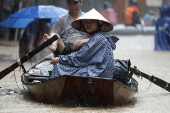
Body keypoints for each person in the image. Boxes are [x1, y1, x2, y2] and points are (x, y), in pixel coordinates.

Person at [43, 8, 116, 79]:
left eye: (92, 21)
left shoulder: (98, 38)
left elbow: (80, 57)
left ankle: (56, 90)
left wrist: (60, 59)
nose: (88, 24)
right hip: (99, 71)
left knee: (59, 66)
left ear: (99, 24)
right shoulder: (100, 36)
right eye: (86, 22)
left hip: (98, 72)